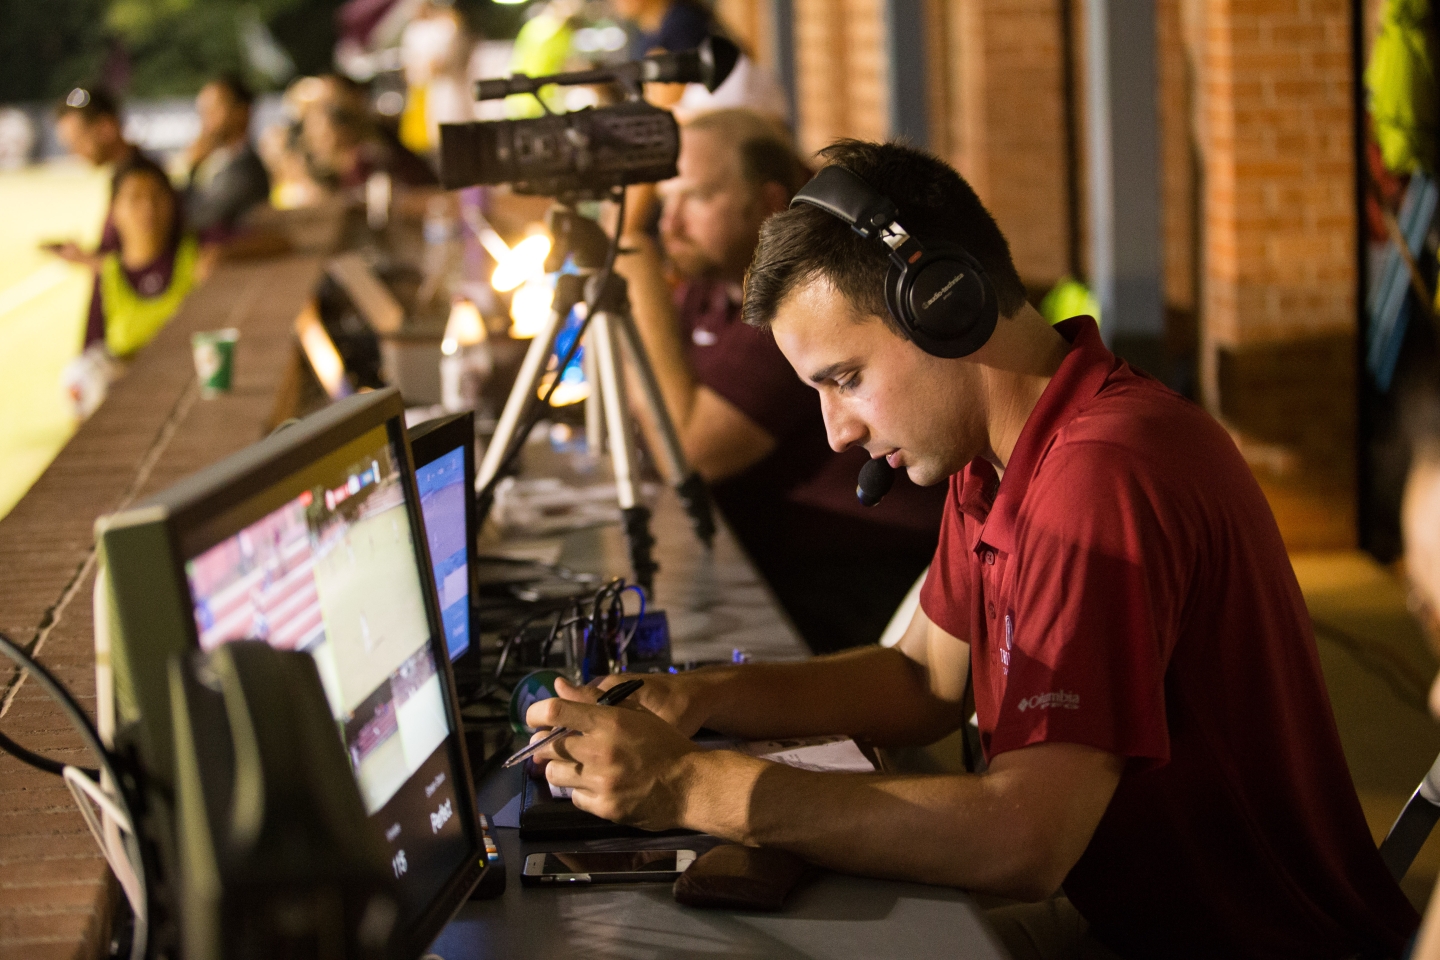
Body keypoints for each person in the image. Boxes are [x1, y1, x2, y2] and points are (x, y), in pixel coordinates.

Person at [527, 139, 1420, 958]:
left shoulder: (1099, 478)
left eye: (846, 379)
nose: (837, 432)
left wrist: (688, 789)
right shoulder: (999, 452)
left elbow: (1023, 838)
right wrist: (698, 698)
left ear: (946, 306)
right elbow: (920, 682)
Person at [615, 110, 946, 653]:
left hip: (855, 578)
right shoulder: (708, 288)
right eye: (664, 202)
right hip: (766, 566)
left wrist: (633, 265)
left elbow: (689, 453)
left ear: (770, 200)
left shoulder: (797, 307)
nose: (668, 226)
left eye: (694, 199)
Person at [44, 87, 140, 295]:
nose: (74, 153)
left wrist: (83, 259)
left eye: (77, 141)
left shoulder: (137, 185)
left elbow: (145, 268)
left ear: (106, 128)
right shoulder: (125, 175)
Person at [182, 74, 271, 239]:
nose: (206, 119)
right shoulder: (217, 161)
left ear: (242, 112)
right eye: (203, 111)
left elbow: (197, 219)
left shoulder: (245, 171)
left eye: (214, 108)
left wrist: (193, 169)